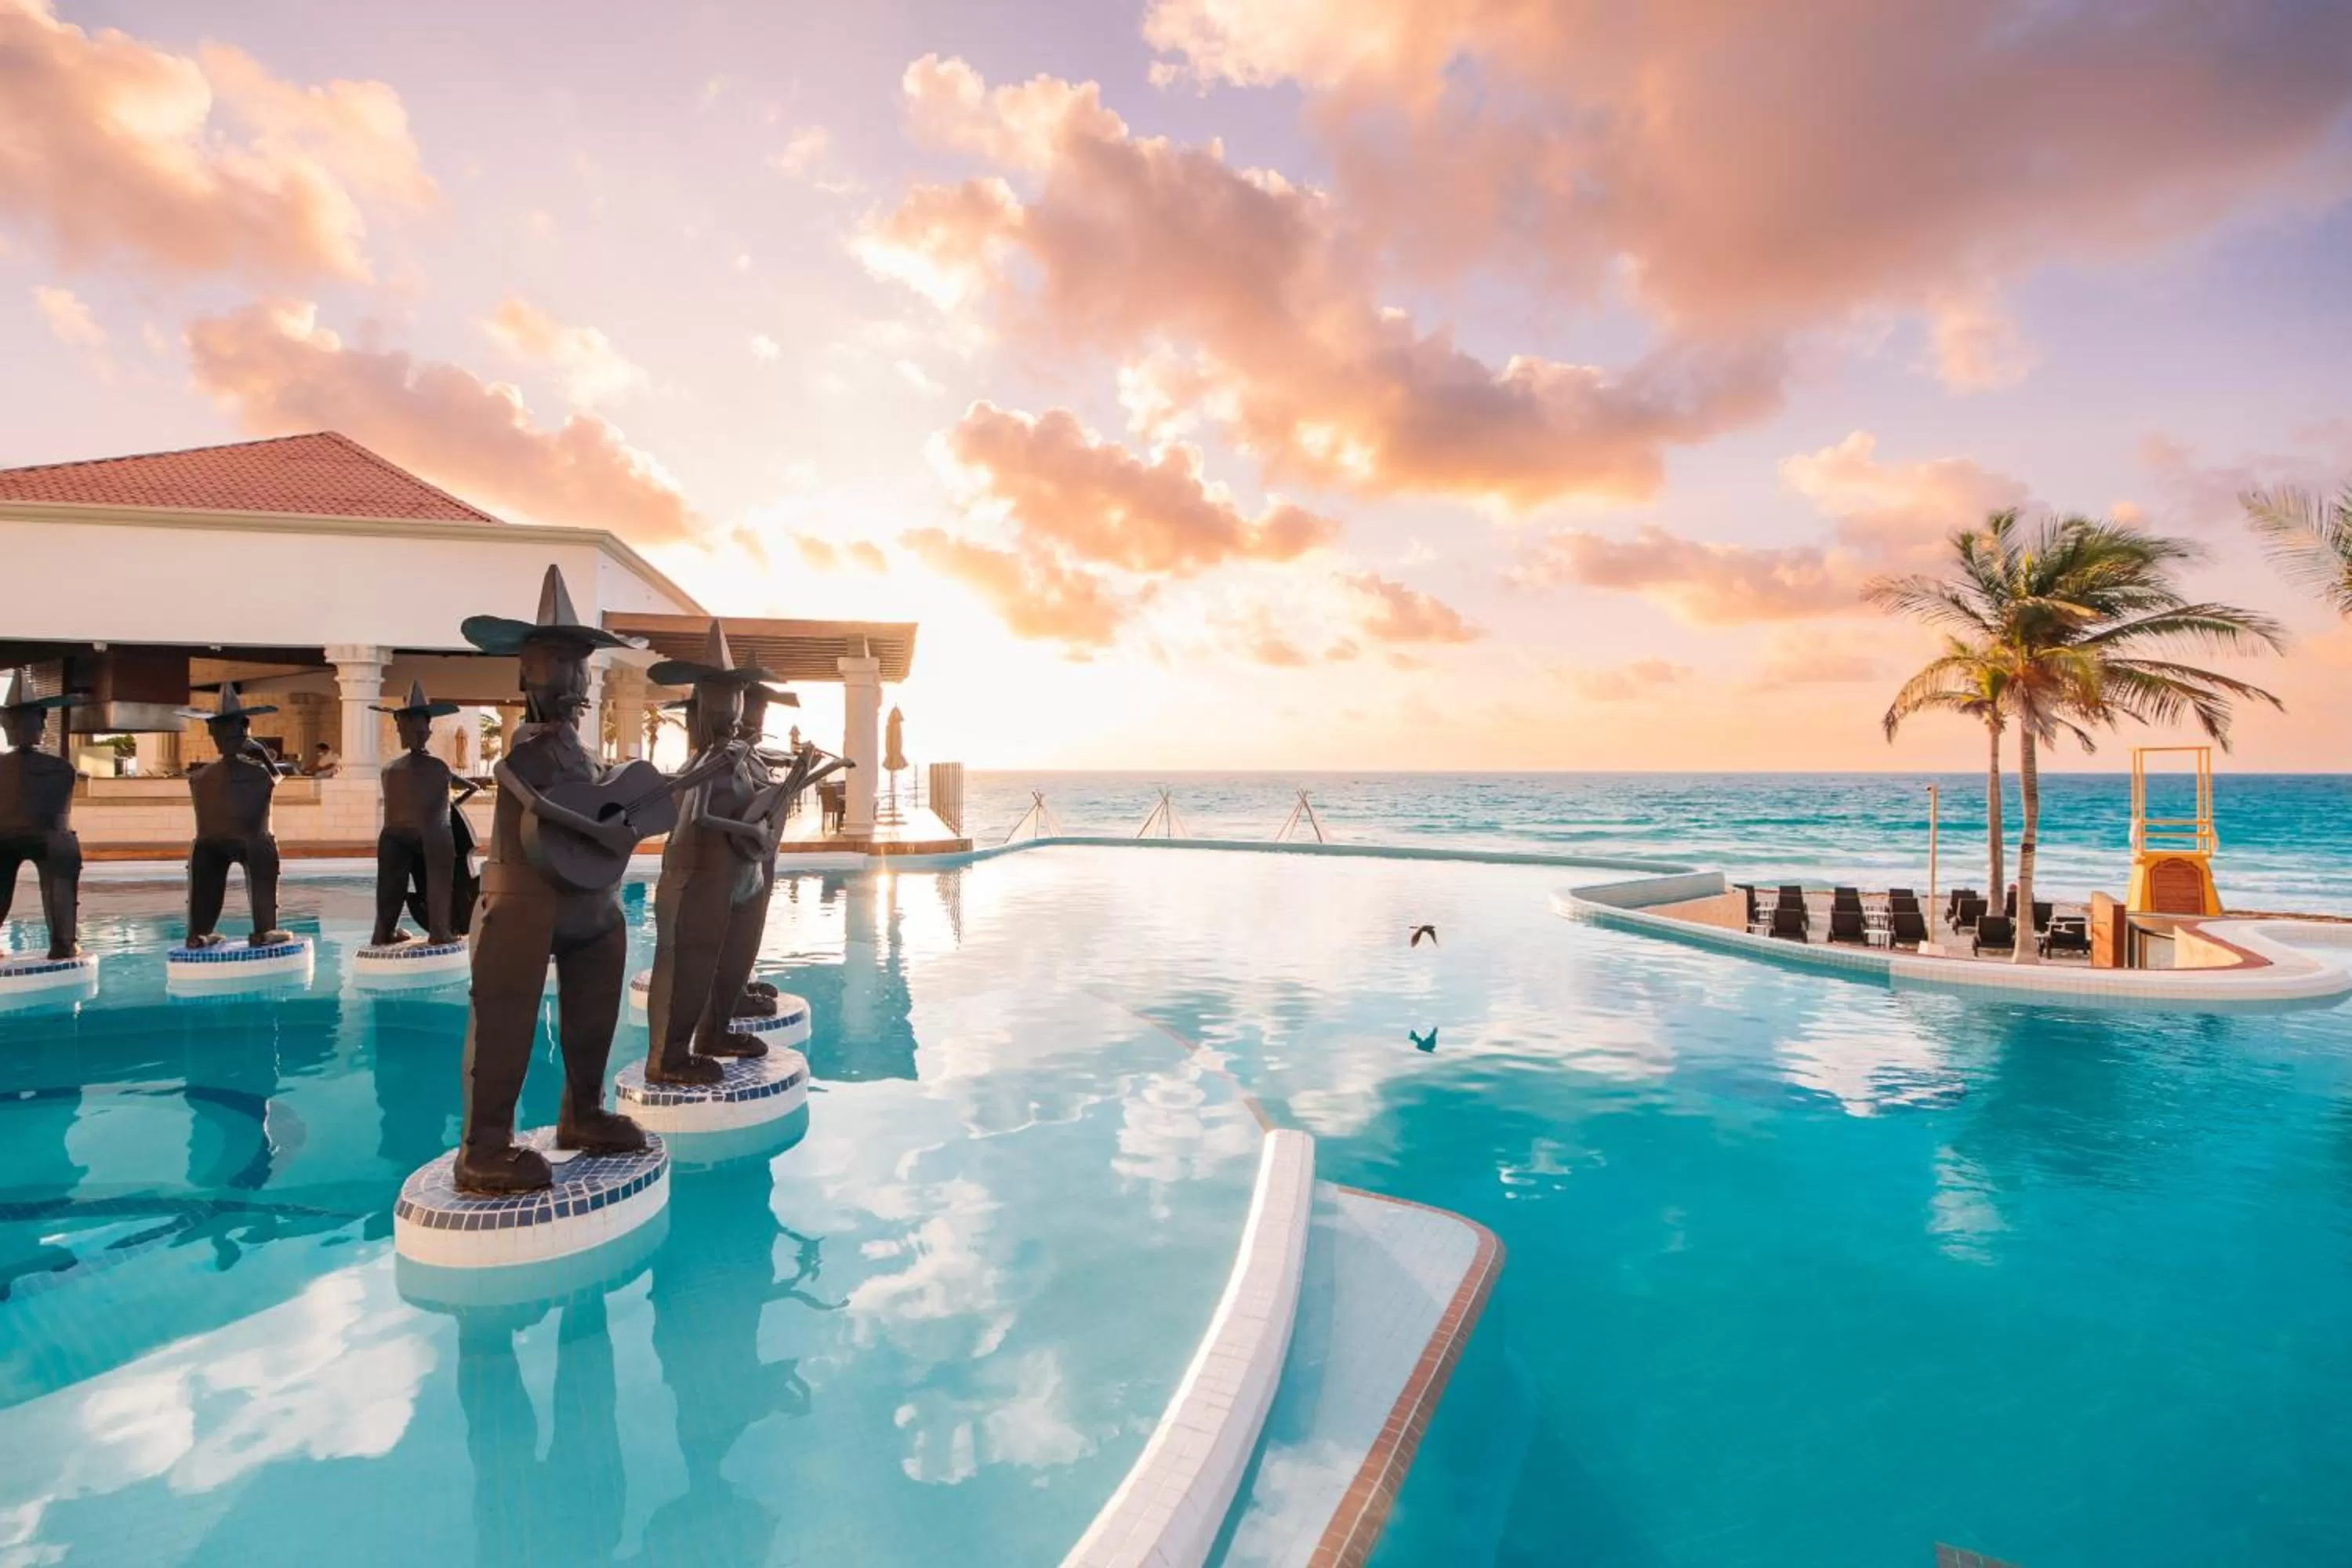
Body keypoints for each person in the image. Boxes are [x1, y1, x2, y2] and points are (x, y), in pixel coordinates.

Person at [452, 565, 657, 1193]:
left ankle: (584, 1112)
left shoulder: (586, 754)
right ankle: (484, 1148)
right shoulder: (518, 753)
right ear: (526, 673)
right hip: (522, 905)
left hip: (590, 905)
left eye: (577, 664)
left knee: (594, 1008)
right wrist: (610, 827)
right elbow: (546, 807)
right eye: (556, 663)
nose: (570, 677)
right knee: (504, 1019)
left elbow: (609, 809)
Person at [642, 625, 775, 1085]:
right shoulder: (705, 763)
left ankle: (717, 1033)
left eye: (735, 703)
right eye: (724, 707)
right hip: (702, 879)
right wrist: (749, 828)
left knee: (732, 958)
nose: (734, 715)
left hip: (740, 877)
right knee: (691, 966)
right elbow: (698, 818)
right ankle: (668, 1058)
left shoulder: (738, 757)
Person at [179, 684, 292, 948]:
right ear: (245, 729)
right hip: (252, 840)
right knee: (262, 857)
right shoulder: (261, 773)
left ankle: (199, 932)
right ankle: (264, 929)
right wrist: (262, 754)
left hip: (207, 844)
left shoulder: (199, 777)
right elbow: (278, 777)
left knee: (205, 883)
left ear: (213, 733)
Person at [368, 681, 477, 947]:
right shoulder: (439, 768)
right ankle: (440, 932)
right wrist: (453, 805)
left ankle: (383, 933)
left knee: (389, 885)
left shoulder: (390, 769)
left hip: (392, 834)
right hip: (432, 831)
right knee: (439, 880)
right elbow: (471, 787)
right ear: (427, 731)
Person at [0, 690, 85, 960]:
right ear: (41, 725)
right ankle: (63, 944)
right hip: (51, 839)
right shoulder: (62, 768)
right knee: (62, 853)